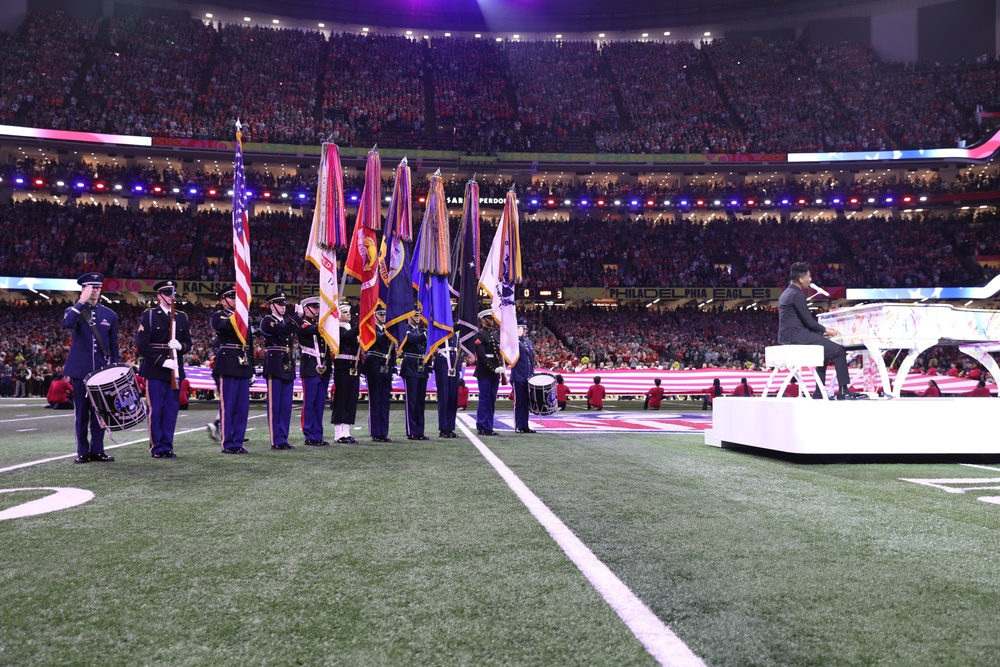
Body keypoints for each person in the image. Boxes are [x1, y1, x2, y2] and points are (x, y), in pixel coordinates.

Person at [778, 262, 867, 400]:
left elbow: (802, 321)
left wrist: (821, 332)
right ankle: (844, 391)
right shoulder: (797, 294)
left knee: (823, 354)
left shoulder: (787, 292)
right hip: (797, 336)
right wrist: (825, 330)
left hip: (790, 335)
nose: (811, 279)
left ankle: (819, 393)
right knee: (839, 351)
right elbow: (808, 321)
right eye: (809, 276)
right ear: (801, 279)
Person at [62, 272, 120, 464]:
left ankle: (97, 450)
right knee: (81, 414)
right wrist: (81, 302)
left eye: (97, 287)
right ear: (84, 289)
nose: (94, 290)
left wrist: (116, 369)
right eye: (90, 287)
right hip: (80, 371)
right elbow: (67, 323)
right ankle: (82, 451)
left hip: (102, 372)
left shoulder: (110, 314)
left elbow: (114, 346)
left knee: (100, 413)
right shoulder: (74, 311)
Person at [136, 279, 192, 459]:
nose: (171, 296)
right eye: (167, 293)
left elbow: (188, 343)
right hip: (155, 369)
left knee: (171, 409)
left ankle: (167, 446)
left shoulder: (182, 316)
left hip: (175, 369)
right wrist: (161, 361)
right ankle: (156, 446)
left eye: (172, 292)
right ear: (159, 296)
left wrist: (180, 347)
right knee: (156, 409)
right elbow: (142, 345)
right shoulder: (150, 315)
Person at [211, 284, 253, 454]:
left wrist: (251, 368)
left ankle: (238, 441)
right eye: (232, 297)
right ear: (223, 301)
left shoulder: (244, 317)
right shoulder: (218, 316)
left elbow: (248, 343)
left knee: (242, 407)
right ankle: (228, 443)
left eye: (237, 298)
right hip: (227, 362)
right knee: (228, 405)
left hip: (242, 363)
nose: (236, 301)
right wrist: (240, 313)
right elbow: (224, 327)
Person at [259, 292, 298, 450]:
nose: (283, 307)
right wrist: (296, 317)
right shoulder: (267, 321)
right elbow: (283, 330)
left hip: (286, 362)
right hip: (274, 362)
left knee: (286, 405)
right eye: (279, 304)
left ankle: (283, 438)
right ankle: (276, 439)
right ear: (271, 306)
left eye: (284, 304)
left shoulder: (285, 321)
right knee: (275, 404)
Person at [295, 297, 333, 447]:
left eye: (318, 307)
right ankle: (309, 435)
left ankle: (318, 434)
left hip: (323, 366)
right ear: (306, 309)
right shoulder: (301, 323)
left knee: (319, 404)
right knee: (309, 403)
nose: (317, 309)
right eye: (314, 307)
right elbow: (313, 330)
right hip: (311, 366)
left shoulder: (319, 324)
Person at [330, 302, 361, 444]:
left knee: (351, 400)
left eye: (349, 312)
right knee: (341, 399)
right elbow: (347, 336)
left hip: (353, 366)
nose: (348, 314)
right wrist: (362, 325)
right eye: (344, 312)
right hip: (342, 366)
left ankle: (346, 431)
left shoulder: (351, 329)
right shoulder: (336, 328)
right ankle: (338, 433)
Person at [362, 308, 394, 442]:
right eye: (380, 314)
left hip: (386, 365)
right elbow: (379, 339)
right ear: (374, 315)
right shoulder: (370, 327)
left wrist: (392, 366)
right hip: (374, 363)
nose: (383, 316)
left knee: (385, 400)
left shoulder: (388, 328)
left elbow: (392, 350)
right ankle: (375, 431)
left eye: (385, 314)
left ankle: (383, 431)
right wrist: (392, 328)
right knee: (375, 400)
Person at [400, 309, 430, 441]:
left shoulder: (421, 330)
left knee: (420, 401)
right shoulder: (404, 329)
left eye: (419, 315)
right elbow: (415, 339)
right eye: (415, 315)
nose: (417, 317)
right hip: (411, 365)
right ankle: (411, 430)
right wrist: (431, 332)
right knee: (411, 401)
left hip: (422, 366)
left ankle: (419, 430)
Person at [472, 309, 503, 435]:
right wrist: (493, 368)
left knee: (491, 400)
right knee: (484, 399)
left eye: (492, 318)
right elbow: (481, 356)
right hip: (485, 372)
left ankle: (489, 426)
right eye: (489, 319)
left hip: (495, 372)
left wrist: (499, 366)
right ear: (483, 320)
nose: (491, 320)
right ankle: (481, 426)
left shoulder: (495, 335)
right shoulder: (479, 336)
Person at [433, 329, 464, 438]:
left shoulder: (456, 332)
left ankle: (450, 427)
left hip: (454, 363)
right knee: (444, 397)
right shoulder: (442, 326)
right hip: (443, 363)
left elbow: (458, 350)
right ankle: (443, 428)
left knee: (453, 398)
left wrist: (459, 368)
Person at [511, 319, 536, 433]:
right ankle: (518, 425)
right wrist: (517, 336)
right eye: (522, 328)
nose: (525, 330)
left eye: (525, 328)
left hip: (528, 377)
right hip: (518, 376)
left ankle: (525, 425)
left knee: (526, 403)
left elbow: (531, 360)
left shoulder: (528, 343)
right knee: (519, 403)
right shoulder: (514, 342)